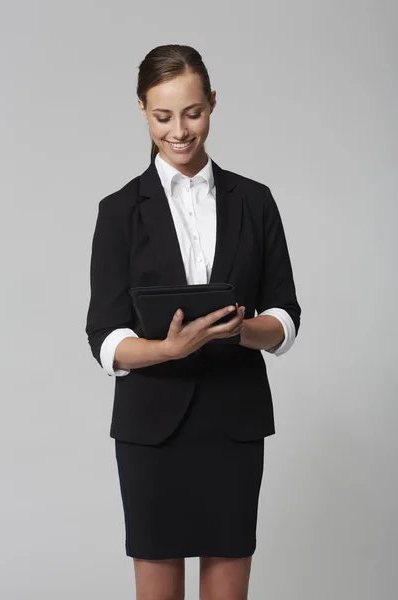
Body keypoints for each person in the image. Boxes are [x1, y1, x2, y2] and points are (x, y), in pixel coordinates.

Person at [85, 44, 301, 600]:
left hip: (233, 420)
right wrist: (168, 349)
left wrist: (242, 331)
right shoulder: (118, 211)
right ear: (142, 110)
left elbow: (285, 314)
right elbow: (105, 339)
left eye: (193, 112)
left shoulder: (255, 201)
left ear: (212, 104)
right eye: (163, 116)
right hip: (151, 431)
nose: (179, 131)